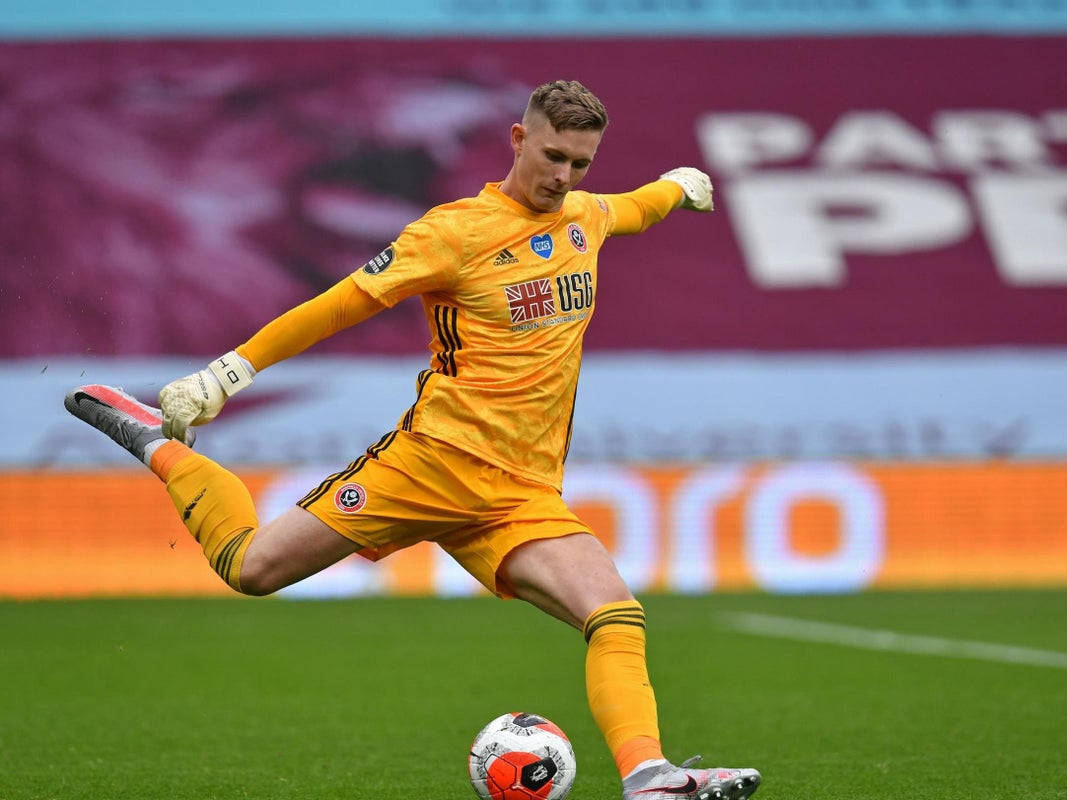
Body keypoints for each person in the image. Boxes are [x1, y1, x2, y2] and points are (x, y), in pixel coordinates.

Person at [65, 79, 761, 800]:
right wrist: (229, 373)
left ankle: (649, 778)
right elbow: (339, 305)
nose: (564, 177)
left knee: (615, 613)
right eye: (553, 156)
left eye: (580, 164)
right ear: (519, 140)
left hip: (519, 495)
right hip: (428, 466)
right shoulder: (452, 233)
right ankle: (160, 445)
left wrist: (677, 187)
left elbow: (632, 209)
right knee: (251, 569)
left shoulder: (584, 217)